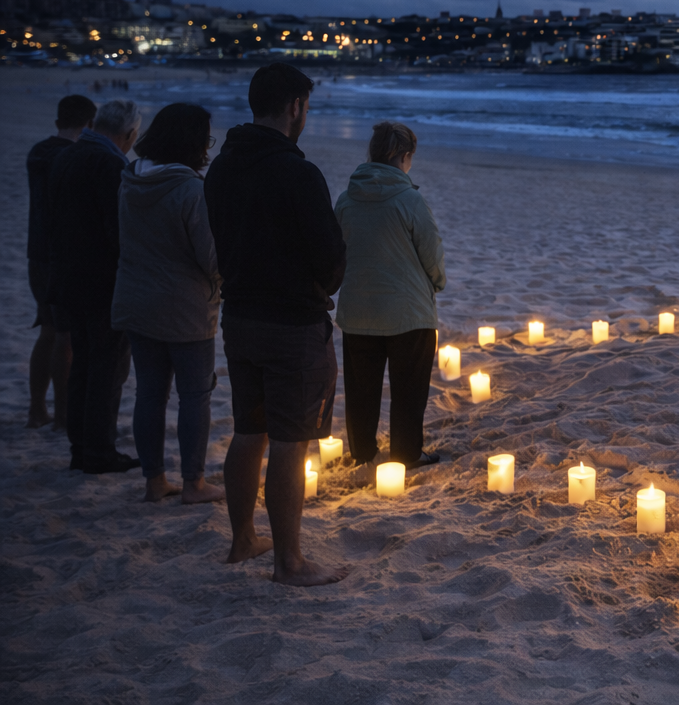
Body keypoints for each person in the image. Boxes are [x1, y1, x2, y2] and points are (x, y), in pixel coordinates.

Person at [205, 63, 348, 586]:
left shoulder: (222, 168)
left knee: (249, 431)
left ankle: (243, 538)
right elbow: (330, 255)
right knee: (291, 441)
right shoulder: (296, 172)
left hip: (240, 316)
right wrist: (326, 281)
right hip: (291, 322)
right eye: (306, 107)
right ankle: (289, 562)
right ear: (295, 107)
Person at [113, 102, 225, 505]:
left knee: (149, 393)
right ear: (194, 143)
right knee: (194, 395)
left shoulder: (130, 179)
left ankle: (154, 480)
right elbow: (211, 259)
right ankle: (193, 482)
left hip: (136, 300)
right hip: (184, 308)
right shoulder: (190, 189)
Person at [334, 122, 447, 471]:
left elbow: (336, 250)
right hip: (407, 313)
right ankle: (406, 453)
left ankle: (364, 453)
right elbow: (432, 251)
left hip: (357, 311)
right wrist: (437, 282)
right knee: (409, 391)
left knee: (361, 391)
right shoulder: (409, 198)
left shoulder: (346, 199)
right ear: (403, 156)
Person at [45, 98, 141, 473]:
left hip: (69, 275)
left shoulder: (68, 155)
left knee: (84, 363)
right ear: (130, 133)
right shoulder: (109, 163)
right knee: (107, 368)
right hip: (101, 282)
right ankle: (98, 450)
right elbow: (117, 230)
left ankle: (80, 446)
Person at [26, 94, 95, 429]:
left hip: (36, 253)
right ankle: (64, 416)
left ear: (57, 122)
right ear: (91, 124)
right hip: (63, 255)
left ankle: (37, 409)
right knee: (65, 337)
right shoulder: (75, 157)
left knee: (48, 331)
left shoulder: (38, 152)